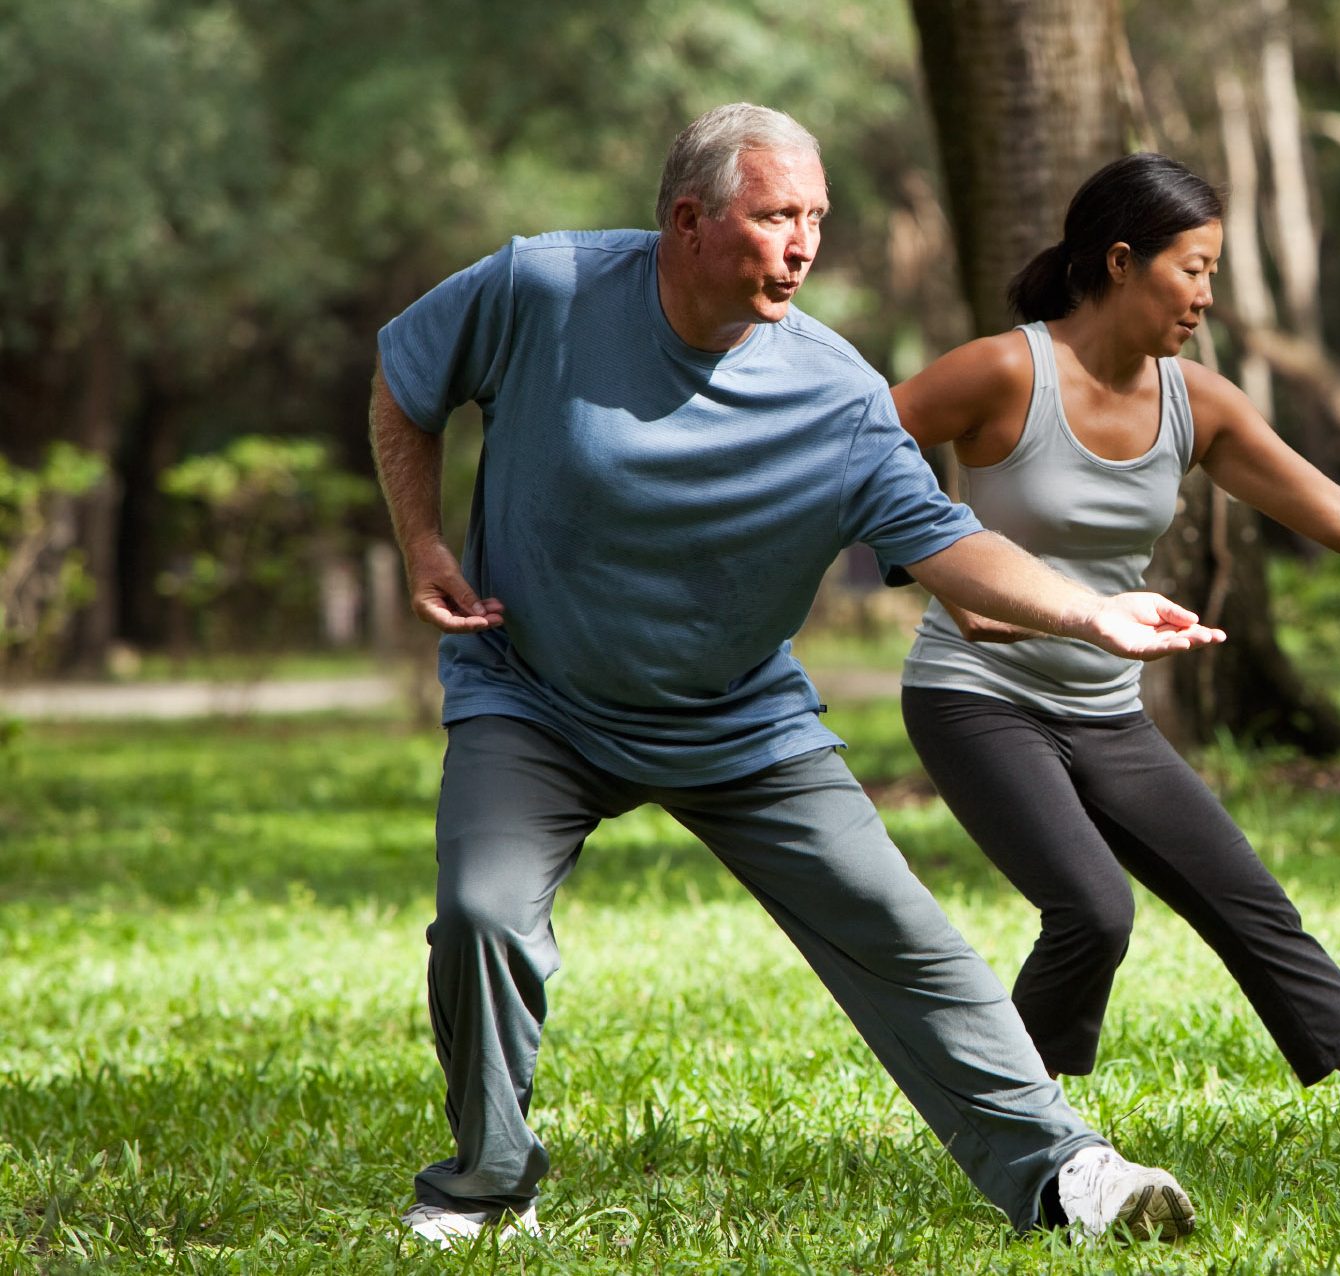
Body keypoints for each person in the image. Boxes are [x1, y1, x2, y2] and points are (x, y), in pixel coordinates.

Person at [370, 105, 1220, 1248]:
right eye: (777, 216)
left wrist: (1089, 609)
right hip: (535, 693)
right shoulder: (544, 289)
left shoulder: (836, 391)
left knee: (902, 927)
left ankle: (1067, 1171)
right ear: (688, 222)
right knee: (482, 915)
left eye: (816, 217)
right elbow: (405, 380)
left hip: (736, 715)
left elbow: (938, 538)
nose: (804, 244)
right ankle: (486, 1185)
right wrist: (422, 538)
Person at [889, 153, 1340, 1156]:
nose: (1205, 295)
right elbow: (853, 456)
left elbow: (1335, 509)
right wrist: (944, 577)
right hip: (975, 696)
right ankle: (1017, 1137)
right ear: (1119, 261)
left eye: (1212, 272)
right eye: (1190, 269)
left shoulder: (1196, 400)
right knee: (1093, 911)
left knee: (1250, 905)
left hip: (1106, 708)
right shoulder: (1003, 372)